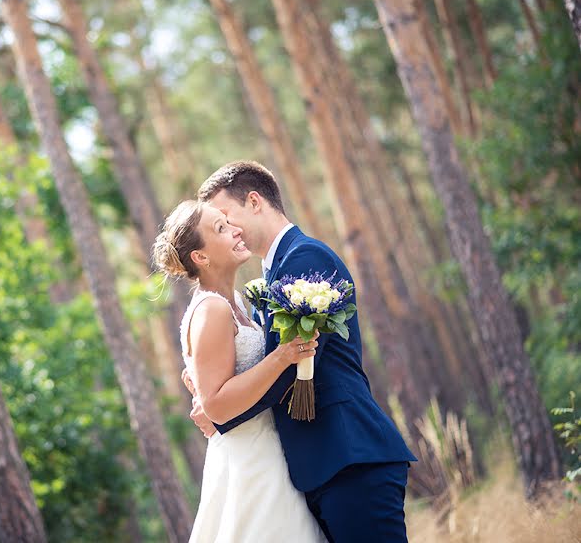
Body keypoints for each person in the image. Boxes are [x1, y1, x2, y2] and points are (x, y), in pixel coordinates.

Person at [186, 161, 417, 543]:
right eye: (218, 227)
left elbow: (289, 368)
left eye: (226, 218)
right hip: (318, 466)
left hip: (349, 454)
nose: (228, 231)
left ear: (255, 202)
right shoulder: (271, 276)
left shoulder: (304, 258)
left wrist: (221, 414)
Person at [153, 199, 326, 543]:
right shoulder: (212, 309)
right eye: (220, 228)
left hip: (269, 450)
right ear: (200, 257)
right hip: (250, 461)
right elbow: (215, 404)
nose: (235, 230)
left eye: (229, 222)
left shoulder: (234, 299)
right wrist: (281, 357)